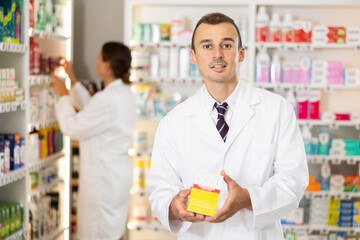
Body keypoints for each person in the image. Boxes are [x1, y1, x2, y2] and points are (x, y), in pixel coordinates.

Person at [146, 13, 309, 240]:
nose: (217, 54)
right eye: (207, 46)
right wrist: (174, 207)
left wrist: (248, 199)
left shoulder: (276, 109)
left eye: (226, 45)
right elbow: (160, 189)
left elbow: (293, 180)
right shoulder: (173, 122)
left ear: (241, 53)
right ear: (193, 56)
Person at [51, 42, 136, 240]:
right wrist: (72, 79)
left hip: (102, 179)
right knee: (112, 230)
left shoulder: (107, 100)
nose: (96, 62)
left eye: (100, 57)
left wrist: (63, 95)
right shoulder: (123, 94)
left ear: (108, 65)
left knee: (98, 232)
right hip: (116, 175)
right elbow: (92, 111)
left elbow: (73, 127)